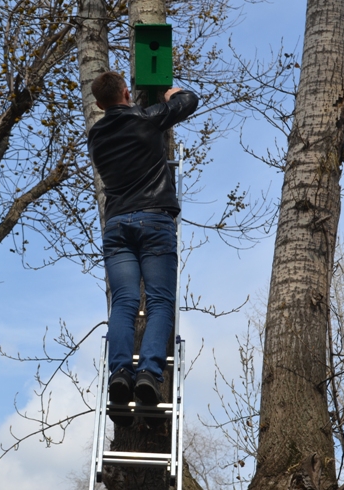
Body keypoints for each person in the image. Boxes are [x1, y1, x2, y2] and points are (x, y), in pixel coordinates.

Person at [88, 71, 198, 426]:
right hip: (154, 221)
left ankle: (120, 372)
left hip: (117, 225)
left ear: (99, 104)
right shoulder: (145, 120)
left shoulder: (96, 137)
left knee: (123, 303)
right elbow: (188, 101)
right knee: (160, 302)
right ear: (124, 93)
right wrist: (171, 92)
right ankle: (149, 374)